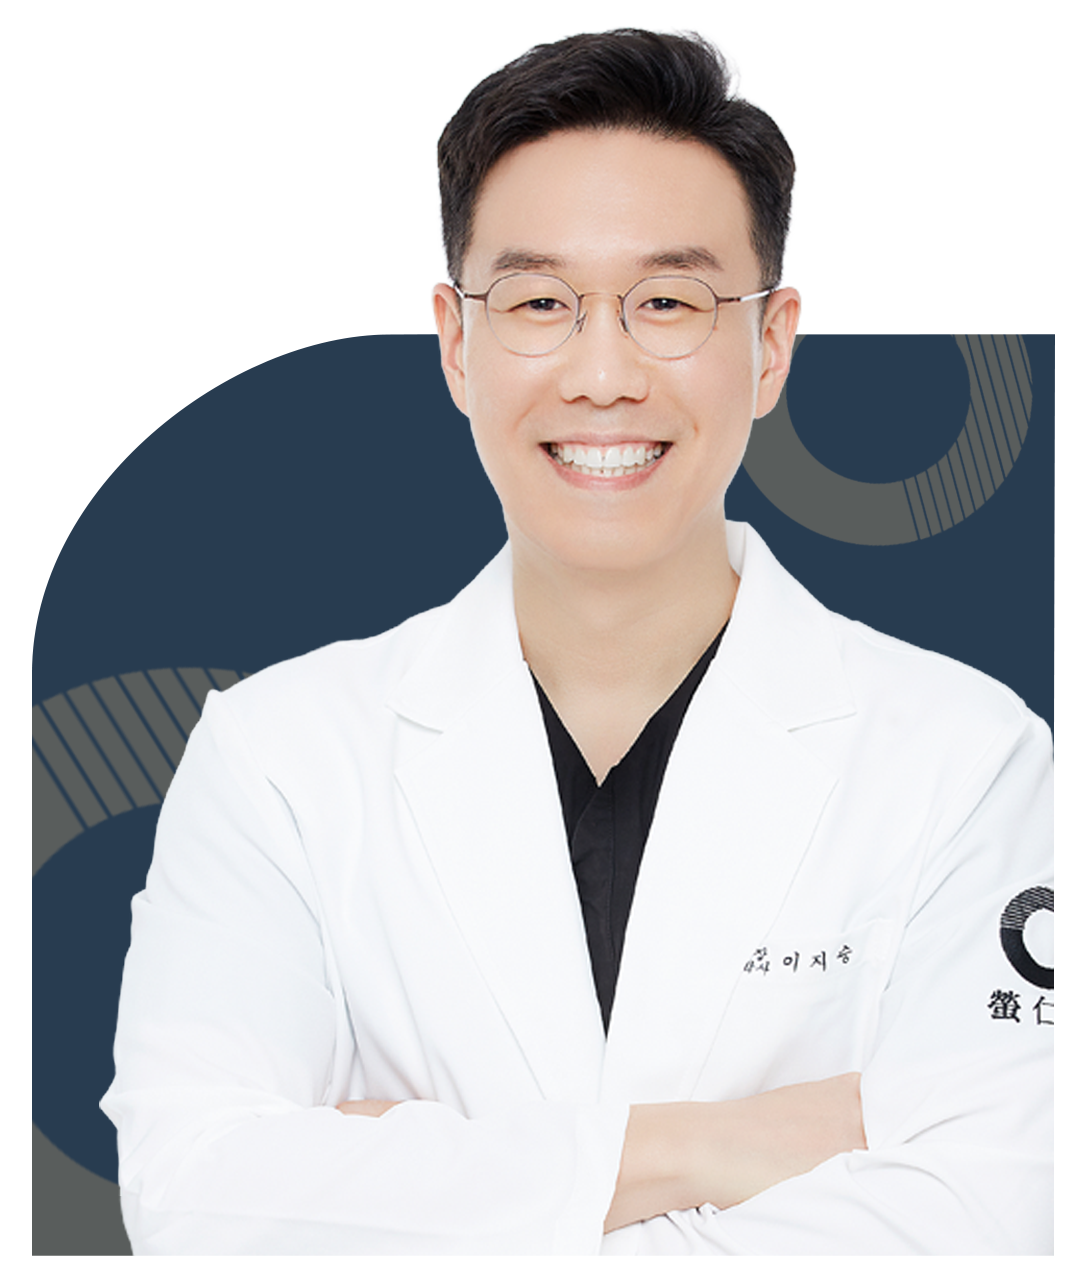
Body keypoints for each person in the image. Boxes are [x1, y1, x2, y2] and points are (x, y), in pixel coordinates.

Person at [101, 27, 1053, 1255]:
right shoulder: (278, 758)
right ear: (456, 341)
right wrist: (716, 1145)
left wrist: (404, 1181)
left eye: (669, 303)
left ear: (769, 344)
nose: (603, 374)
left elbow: (997, 1212)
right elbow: (194, 1202)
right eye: (541, 303)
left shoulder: (968, 760)